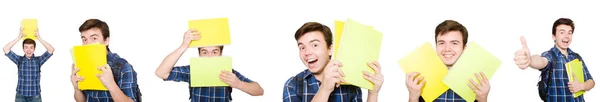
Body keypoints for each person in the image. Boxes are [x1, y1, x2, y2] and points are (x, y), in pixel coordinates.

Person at [282, 22, 384, 102]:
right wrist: (325, 89)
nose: (307, 52)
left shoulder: (350, 83)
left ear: (330, 49)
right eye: (302, 47)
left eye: (315, 45)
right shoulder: (292, 85)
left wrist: (373, 93)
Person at [154, 29, 264, 102]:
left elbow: (259, 91)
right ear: (199, 54)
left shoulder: (229, 73)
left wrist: (239, 84)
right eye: (205, 52)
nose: (210, 56)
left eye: (215, 52)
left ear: (221, 53)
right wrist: (184, 45)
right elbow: (161, 73)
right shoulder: (192, 70)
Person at [405, 20, 490, 102]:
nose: (447, 49)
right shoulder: (421, 76)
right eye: (441, 43)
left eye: (454, 43)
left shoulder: (476, 79)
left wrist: (483, 99)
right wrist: (413, 97)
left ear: (464, 48)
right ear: (436, 46)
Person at [514, 18, 594, 101]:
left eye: (569, 33)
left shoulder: (577, 57)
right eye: (562, 32)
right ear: (554, 36)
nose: (567, 36)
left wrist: (581, 86)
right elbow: (541, 61)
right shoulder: (550, 56)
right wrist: (529, 60)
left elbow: (591, 82)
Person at [70, 19, 141, 102]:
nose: (88, 44)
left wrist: (111, 84)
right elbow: (82, 100)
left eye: (94, 38)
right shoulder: (82, 64)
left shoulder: (122, 66)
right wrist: (77, 89)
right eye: (84, 39)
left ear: (106, 41)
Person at [4, 27, 54, 102]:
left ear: (34, 49)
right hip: (20, 96)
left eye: (31, 47)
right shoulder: (19, 60)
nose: (29, 50)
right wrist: (19, 37)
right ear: (23, 49)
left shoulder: (38, 60)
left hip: (35, 96)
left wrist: (39, 38)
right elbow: (6, 49)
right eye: (26, 47)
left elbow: (51, 50)